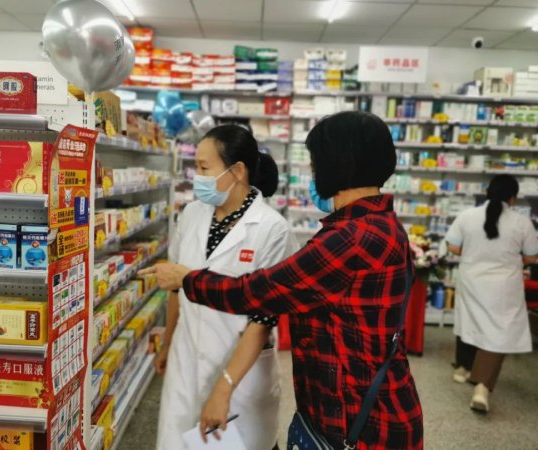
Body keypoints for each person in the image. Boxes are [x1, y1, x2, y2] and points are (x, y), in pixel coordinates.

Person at [143, 111, 424, 450]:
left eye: (316, 162)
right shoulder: (379, 224)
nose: (314, 172)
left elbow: (257, 293)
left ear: (338, 163)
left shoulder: (350, 238)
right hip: (361, 407)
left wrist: (187, 279)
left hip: (359, 422)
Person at [154, 124, 297, 450]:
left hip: (240, 377)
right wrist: (168, 342)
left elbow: (262, 319)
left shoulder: (272, 230)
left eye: (204, 168)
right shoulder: (192, 214)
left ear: (237, 171)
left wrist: (224, 388)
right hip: (186, 364)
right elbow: (177, 286)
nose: (197, 177)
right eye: (196, 167)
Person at [445, 174, 538, 413]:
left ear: (487, 192)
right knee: (499, 332)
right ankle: (482, 387)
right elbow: (531, 256)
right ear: (513, 199)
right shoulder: (522, 222)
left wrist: (474, 253)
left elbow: (453, 246)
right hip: (504, 286)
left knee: (470, 322)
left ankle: (463, 368)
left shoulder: (467, 216)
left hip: (472, 280)